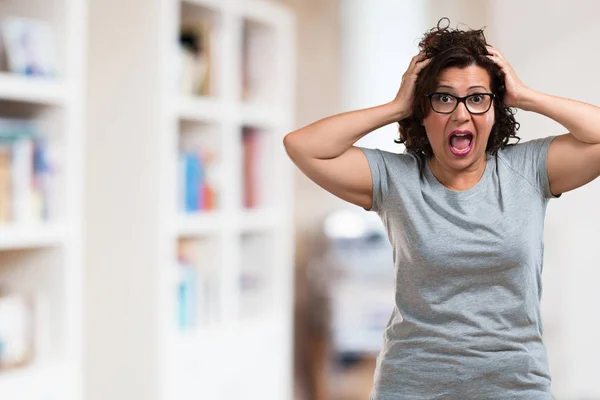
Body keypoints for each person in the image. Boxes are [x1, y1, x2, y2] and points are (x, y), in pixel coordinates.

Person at [283, 17, 600, 400]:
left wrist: (525, 95)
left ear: (495, 109)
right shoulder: (395, 179)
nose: (461, 114)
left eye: (478, 98)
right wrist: (396, 105)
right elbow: (302, 145)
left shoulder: (529, 170)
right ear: (424, 109)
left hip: (517, 387)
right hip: (412, 387)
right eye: (444, 97)